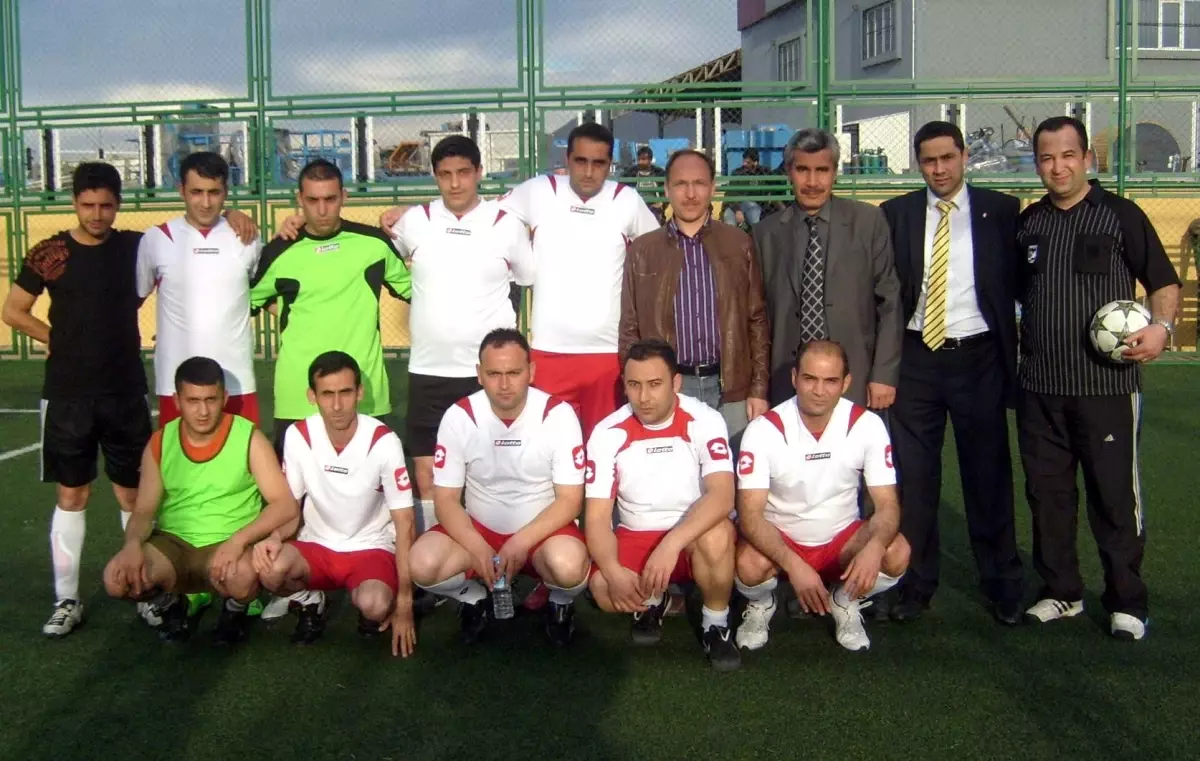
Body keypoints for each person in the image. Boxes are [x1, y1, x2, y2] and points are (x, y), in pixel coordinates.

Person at [1016, 116, 1181, 641]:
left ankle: (1127, 601)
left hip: (1107, 389)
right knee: (1048, 497)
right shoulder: (1029, 223)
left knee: (1114, 497)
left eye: (1068, 155)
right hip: (1040, 387)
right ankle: (1060, 592)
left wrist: (1162, 329)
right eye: (1046, 157)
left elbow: (1163, 280)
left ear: (1087, 158)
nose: (1057, 166)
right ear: (1037, 163)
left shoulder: (1120, 215)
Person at [879, 121, 1024, 625]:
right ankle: (916, 583)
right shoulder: (896, 213)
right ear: (918, 163)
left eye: (947, 158)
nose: (939, 169)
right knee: (914, 477)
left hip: (977, 356)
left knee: (987, 473)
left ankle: (1003, 581)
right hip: (916, 357)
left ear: (964, 156)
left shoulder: (1002, 211)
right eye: (929, 160)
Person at [1, 163, 153, 637]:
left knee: (133, 494)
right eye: (88, 205)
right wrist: (55, 338)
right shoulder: (51, 252)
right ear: (74, 203)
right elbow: (13, 309)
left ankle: (142, 590)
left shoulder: (134, 246)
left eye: (106, 205)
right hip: (68, 395)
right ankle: (67, 599)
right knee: (72, 494)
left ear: (118, 204)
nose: (97, 214)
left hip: (125, 390)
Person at [375, 135, 534, 536]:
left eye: (464, 173)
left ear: (479, 173)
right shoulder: (416, 222)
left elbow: (528, 276)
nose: (456, 183)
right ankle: (435, 568)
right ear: (435, 177)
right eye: (445, 175)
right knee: (427, 473)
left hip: (486, 374)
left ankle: (500, 560)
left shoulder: (504, 225)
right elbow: (385, 238)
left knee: (492, 473)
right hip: (429, 369)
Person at [408, 329, 591, 647]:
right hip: (480, 529)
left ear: (531, 371)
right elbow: (446, 500)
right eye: (494, 374)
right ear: (479, 374)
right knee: (421, 564)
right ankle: (474, 598)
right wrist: (478, 548)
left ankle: (559, 604)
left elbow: (570, 501)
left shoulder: (557, 415)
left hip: (542, 533)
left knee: (569, 566)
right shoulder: (460, 416)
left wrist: (520, 543)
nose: (504, 384)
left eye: (514, 372)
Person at [102, 357, 300, 644]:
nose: (203, 410)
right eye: (193, 400)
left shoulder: (248, 437)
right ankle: (171, 606)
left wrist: (238, 541)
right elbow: (144, 510)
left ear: (225, 398)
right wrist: (132, 545)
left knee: (243, 576)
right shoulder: (160, 442)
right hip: (175, 543)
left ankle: (235, 611)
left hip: (229, 542)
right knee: (116, 578)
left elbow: (284, 503)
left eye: (211, 399)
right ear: (178, 401)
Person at [734, 340, 909, 652]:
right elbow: (749, 516)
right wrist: (794, 564)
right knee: (747, 563)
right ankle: (762, 605)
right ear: (794, 379)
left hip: (840, 539)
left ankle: (844, 600)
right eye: (810, 378)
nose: (819, 390)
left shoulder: (866, 425)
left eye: (830, 381)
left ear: (846, 383)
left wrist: (876, 546)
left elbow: (887, 504)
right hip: (783, 539)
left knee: (896, 552)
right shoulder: (764, 429)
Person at [585, 339, 741, 671]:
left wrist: (671, 544)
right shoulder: (606, 431)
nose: (644, 397)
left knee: (718, 535)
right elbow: (597, 518)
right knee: (601, 590)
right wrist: (613, 572)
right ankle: (655, 599)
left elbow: (722, 495)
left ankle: (716, 621)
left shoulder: (705, 419)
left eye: (655, 384)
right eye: (634, 385)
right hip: (637, 533)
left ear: (676, 382)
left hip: (691, 535)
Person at [499, 122, 661, 440]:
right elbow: (485, 217)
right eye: (581, 161)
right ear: (568, 159)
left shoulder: (626, 199)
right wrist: (411, 211)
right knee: (548, 450)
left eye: (598, 163)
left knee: (604, 449)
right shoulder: (538, 190)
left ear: (610, 165)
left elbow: (658, 254)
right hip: (548, 352)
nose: (589, 171)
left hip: (607, 355)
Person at [254, 352, 417, 656]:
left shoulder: (383, 441)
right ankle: (309, 601)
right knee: (268, 569)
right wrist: (274, 538)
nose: (338, 405)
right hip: (315, 545)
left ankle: (376, 601)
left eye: (345, 392)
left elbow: (405, 521)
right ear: (311, 396)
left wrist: (405, 601)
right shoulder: (299, 435)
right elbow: (290, 508)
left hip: (370, 547)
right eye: (327, 394)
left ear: (360, 392)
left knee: (375, 605)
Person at [251, 158, 412, 457]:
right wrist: (288, 310)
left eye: (330, 199)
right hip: (298, 396)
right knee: (293, 498)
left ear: (343, 197)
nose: (322, 210)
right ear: (299, 199)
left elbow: (419, 292)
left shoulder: (373, 244)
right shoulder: (278, 251)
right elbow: (246, 301)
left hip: (364, 393)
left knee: (371, 495)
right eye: (312, 200)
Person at [619, 149, 770, 445]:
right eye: (680, 184)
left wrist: (758, 388)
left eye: (699, 184)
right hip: (669, 388)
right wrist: (639, 387)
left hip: (730, 388)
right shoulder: (643, 251)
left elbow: (756, 319)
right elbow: (630, 326)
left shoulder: (738, 243)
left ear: (713, 188)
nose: (690, 194)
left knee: (733, 477)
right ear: (667, 189)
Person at [752, 128, 903, 410]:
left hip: (855, 379)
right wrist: (759, 388)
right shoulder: (766, 233)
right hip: (787, 382)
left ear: (835, 172)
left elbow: (890, 302)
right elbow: (757, 317)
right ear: (789, 171)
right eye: (802, 170)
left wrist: (883, 374)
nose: (812, 181)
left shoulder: (868, 222)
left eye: (822, 170)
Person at [137, 151, 263, 426]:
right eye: (196, 192)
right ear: (181, 190)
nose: (205, 203)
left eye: (214, 193)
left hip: (237, 381)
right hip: (178, 385)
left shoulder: (248, 237)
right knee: (180, 467)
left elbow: (264, 288)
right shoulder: (157, 239)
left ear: (226, 192)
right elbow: (136, 295)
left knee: (241, 465)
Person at [721, 147, 770, 227]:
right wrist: (737, 211)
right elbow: (731, 195)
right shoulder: (737, 173)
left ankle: (756, 235)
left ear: (755, 163)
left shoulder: (763, 173)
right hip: (734, 206)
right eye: (744, 161)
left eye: (748, 162)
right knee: (729, 222)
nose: (744, 164)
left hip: (753, 206)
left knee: (752, 208)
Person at [621, 146, 666, 223]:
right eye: (639, 159)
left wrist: (661, 204)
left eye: (644, 159)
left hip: (654, 208)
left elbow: (666, 193)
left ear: (650, 160)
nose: (641, 162)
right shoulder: (630, 173)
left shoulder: (659, 173)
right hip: (636, 208)